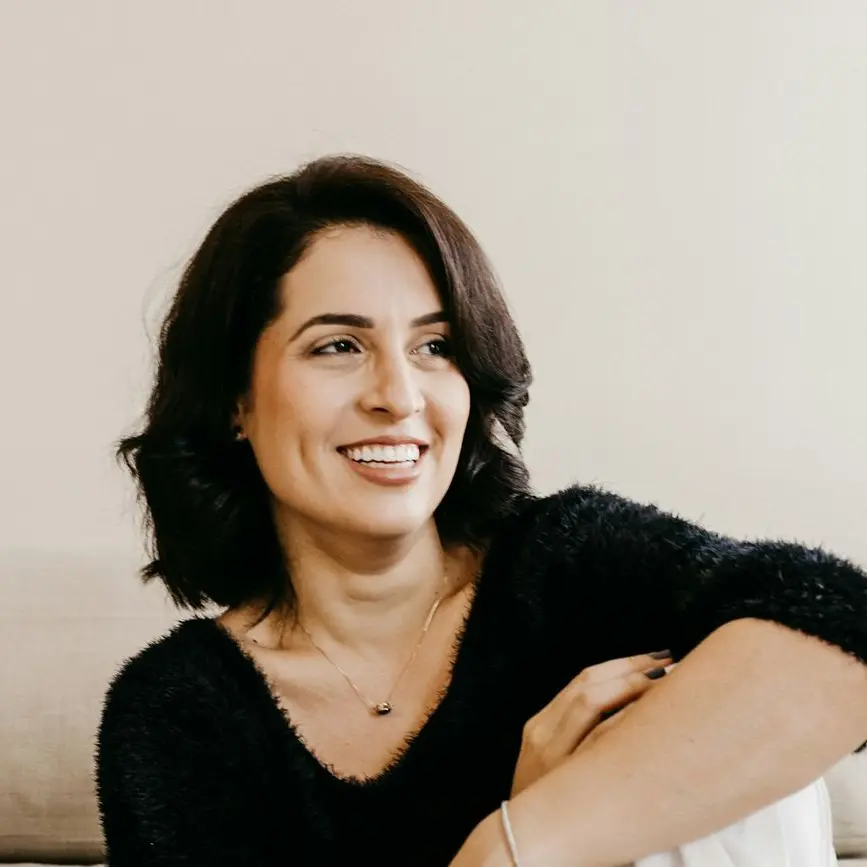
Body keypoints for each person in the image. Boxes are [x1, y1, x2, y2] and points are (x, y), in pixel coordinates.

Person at [96, 154, 867, 867]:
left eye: (435, 346)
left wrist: (523, 840)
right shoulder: (180, 712)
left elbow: (840, 625)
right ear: (235, 398)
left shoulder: (566, 564)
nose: (398, 395)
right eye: (338, 346)